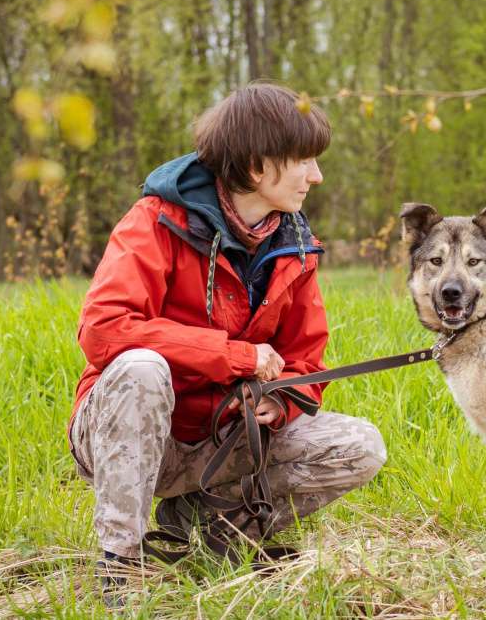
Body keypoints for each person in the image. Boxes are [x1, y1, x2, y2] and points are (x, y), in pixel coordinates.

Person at [68, 82, 386, 605]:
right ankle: (120, 564)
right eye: (304, 160)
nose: (316, 176)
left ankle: (208, 528)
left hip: (218, 438)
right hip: (122, 434)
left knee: (361, 447)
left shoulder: (296, 246)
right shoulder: (154, 221)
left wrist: (277, 401)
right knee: (143, 367)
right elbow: (103, 329)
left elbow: (307, 361)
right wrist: (236, 356)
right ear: (258, 166)